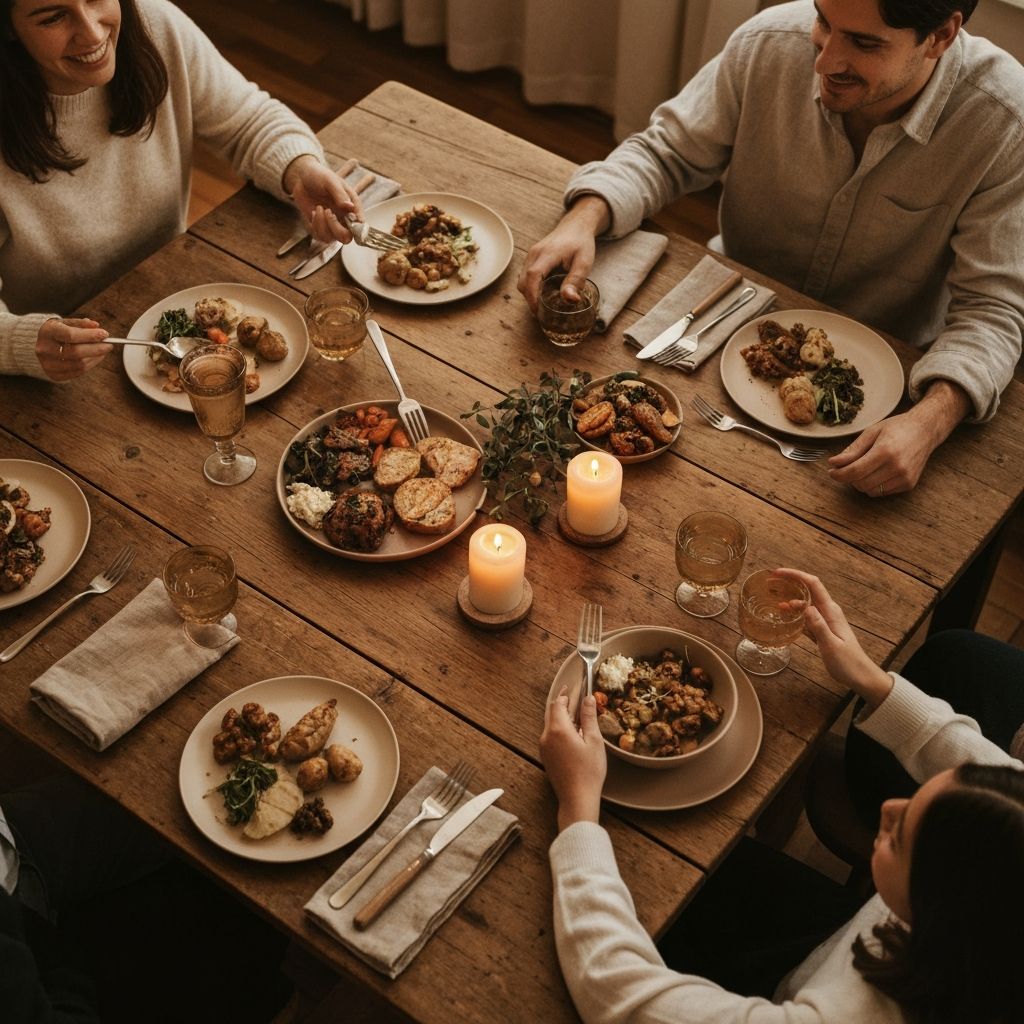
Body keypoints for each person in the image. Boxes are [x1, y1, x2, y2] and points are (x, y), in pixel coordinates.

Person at [518, 0, 1024, 497]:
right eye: (824, 21)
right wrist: (584, 218)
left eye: (864, 43)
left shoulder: (1005, 122)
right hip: (718, 336)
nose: (824, 61)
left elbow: (993, 311)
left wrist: (929, 424)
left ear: (941, 35)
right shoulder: (766, 44)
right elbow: (665, 152)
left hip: (884, 405)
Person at [540, 568, 1024, 1023]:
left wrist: (578, 810)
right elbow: (987, 770)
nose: (888, 808)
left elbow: (615, 990)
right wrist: (871, 680)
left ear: (939, 917)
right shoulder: (991, 912)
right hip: (838, 941)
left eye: (901, 837)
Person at [0, 0, 363, 382]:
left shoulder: (154, 23)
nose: (93, 33)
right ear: (7, 27)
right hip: (61, 366)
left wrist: (300, 170)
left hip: (173, 297)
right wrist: (21, 341)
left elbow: (248, 120)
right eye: (53, 17)